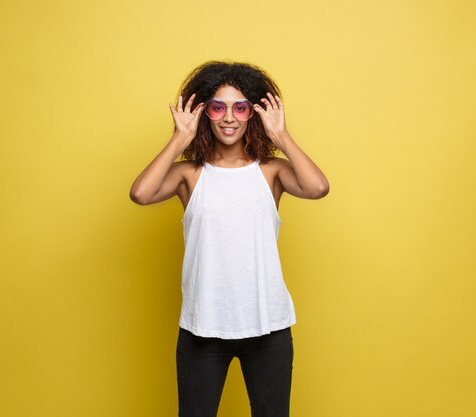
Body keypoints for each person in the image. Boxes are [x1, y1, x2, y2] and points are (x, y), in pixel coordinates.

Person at [130, 60, 329, 417]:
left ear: (254, 113)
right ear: (203, 112)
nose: (229, 118)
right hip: (202, 327)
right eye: (217, 107)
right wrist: (180, 138)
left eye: (240, 108)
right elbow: (141, 194)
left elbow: (318, 187)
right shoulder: (189, 175)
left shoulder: (271, 171)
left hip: (268, 327)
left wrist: (282, 136)